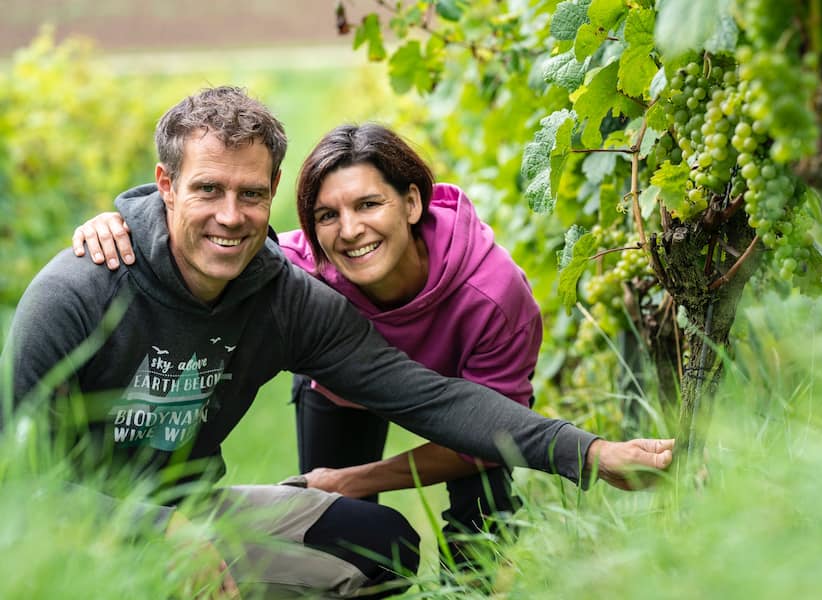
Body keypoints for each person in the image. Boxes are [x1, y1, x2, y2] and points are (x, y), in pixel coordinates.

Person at [5, 86, 673, 598]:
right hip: (75, 530)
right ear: (165, 186)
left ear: (273, 199)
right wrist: (158, 532)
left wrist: (590, 451)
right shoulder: (77, 295)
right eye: (207, 189)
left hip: (195, 509)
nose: (231, 216)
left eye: (252, 194)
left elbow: (436, 399)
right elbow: (23, 489)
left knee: (381, 545)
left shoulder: (279, 293)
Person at [78, 123, 543, 569]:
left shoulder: (493, 294)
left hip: (468, 404)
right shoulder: (297, 274)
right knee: (340, 535)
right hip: (343, 393)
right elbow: (202, 239)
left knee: (482, 511)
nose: (350, 230)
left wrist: (354, 478)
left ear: (412, 202)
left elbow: (495, 438)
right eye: (327, 215)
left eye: (369, 204)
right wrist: (121, 224)